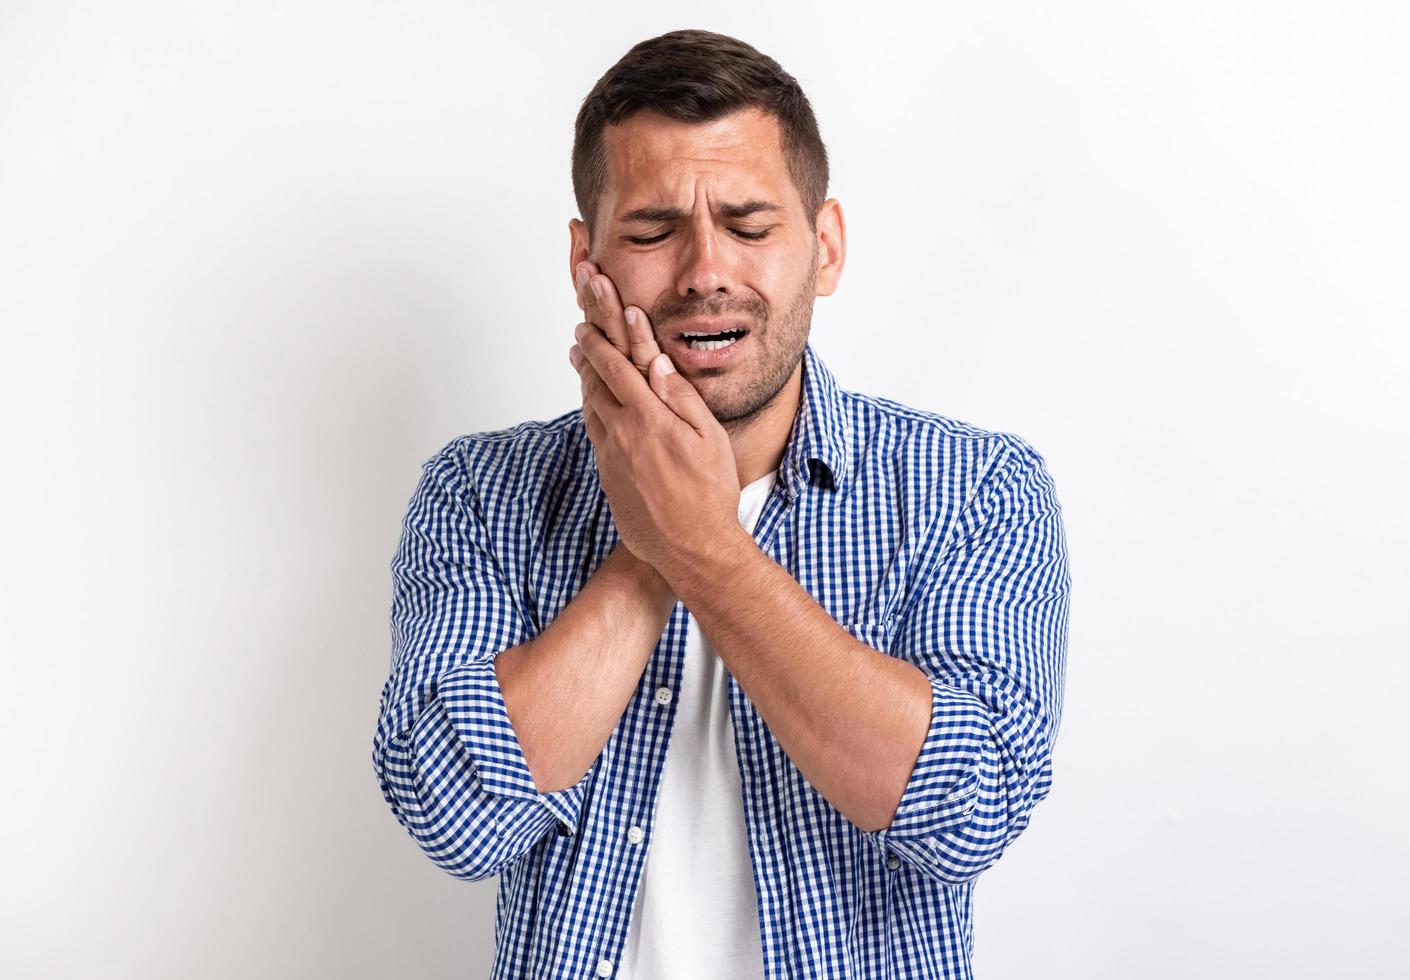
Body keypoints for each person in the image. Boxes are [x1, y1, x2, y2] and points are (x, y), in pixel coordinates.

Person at [371, 28, 1071, 980]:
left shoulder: (973, 489)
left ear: (823, 248)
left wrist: (705, 546)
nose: (704, 270)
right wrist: (647, 546)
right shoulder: (480, 494)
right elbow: (458, 816)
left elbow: (968, 810)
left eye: (748, 226)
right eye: (653, 232)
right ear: (587, 262)